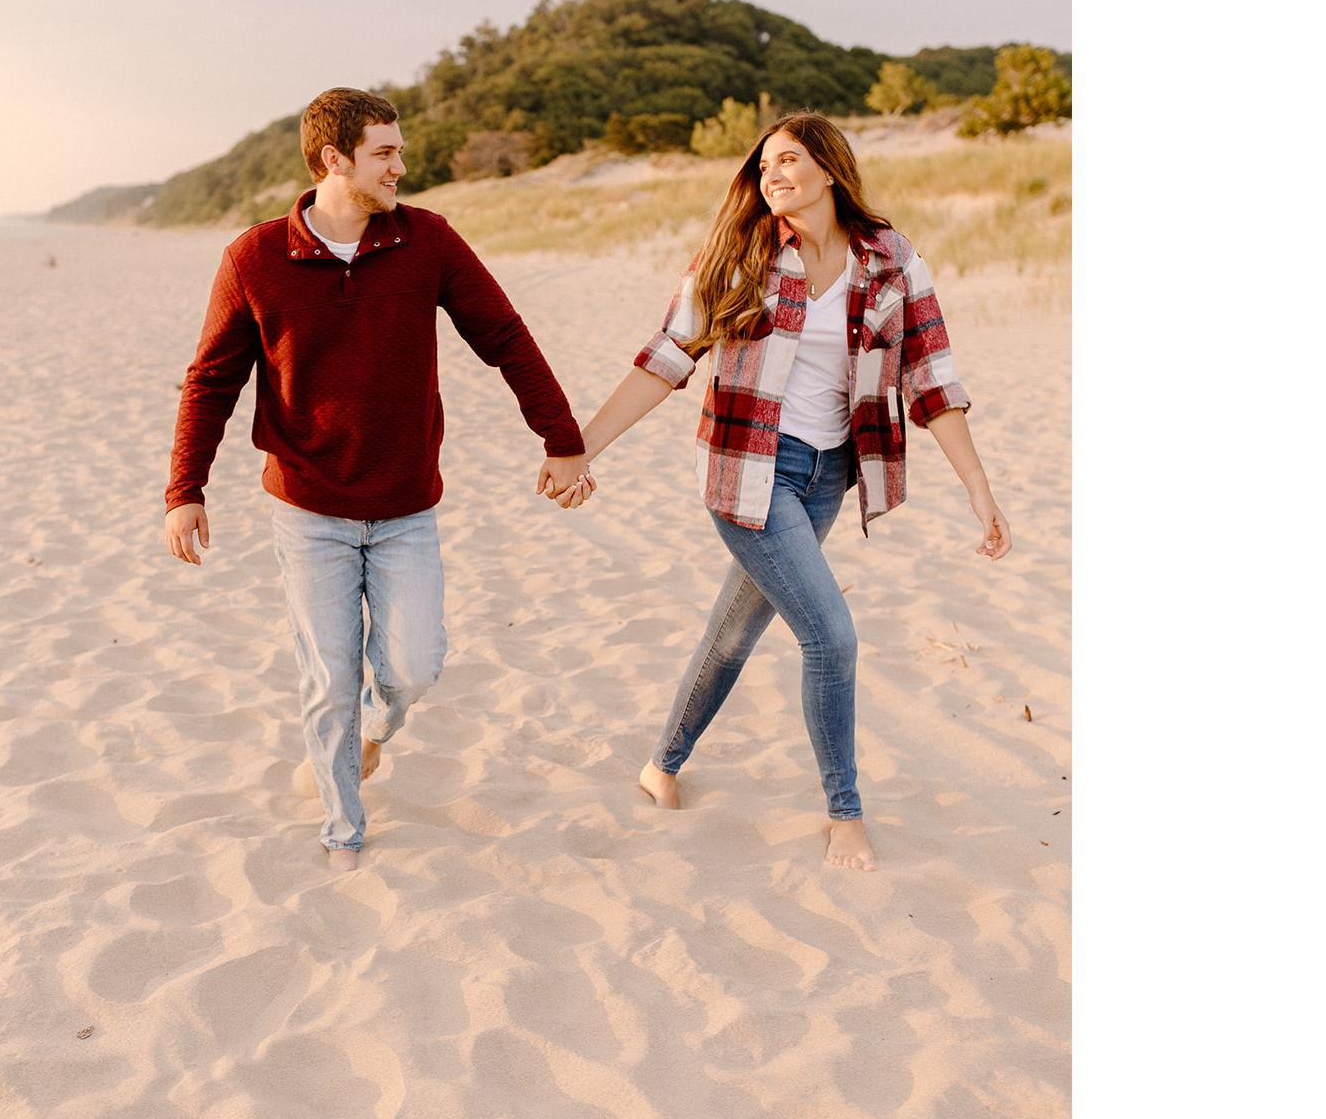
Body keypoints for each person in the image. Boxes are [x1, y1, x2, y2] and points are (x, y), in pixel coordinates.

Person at [552, 112, 1011, 871]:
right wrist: (580, 449)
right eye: (764, 166)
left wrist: (978, 487)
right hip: (747, 471)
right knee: (831, 636)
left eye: (789, 160)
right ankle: (845, 813)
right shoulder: (741, 254)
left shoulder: (891, 259)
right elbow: (667, 357)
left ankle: (661, 764)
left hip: (829, 475)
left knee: (735, 631)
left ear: (829, 169)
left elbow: (930, 376)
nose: (772, 176)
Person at [164, 88, 593, 870]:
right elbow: (211, 380)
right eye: (385, 153)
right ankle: (343, 832)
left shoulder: (427, 240)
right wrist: (185, 489)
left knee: (413, 667)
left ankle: (376, 728)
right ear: (335, 159)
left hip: (404, 506)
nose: (401, 166)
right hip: (308, 509)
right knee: (328, 680)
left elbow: (503, 335)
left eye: (399, 150)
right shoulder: (254, 257)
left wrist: (562, 439)